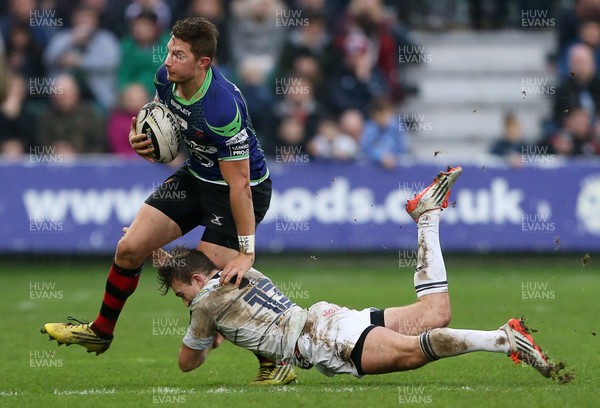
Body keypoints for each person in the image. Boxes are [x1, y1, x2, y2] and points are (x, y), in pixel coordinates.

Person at [42, 17, 294, 385]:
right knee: (130, 248)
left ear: (203, 62)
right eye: (169, 51)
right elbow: (158, 120)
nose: (168, 60)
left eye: (178, 54)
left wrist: (246, 251)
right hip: (195, 178)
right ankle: (100, 331)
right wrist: (139, 139)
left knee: (211, 286)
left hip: (239, 192)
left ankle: (274, 360)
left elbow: (238, 185)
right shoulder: (166, 78)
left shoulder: (222, 108)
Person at [154, 166, 561, 381]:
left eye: (180, 295)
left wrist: (205, 337)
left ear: (195, 281)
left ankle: (503, 339)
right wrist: (164, 259)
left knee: (412, 352)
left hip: (323, 340)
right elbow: (203, 268)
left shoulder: (206, 303)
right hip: (327, 317)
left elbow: (187, 363)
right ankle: (427, 216)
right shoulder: (242, 271)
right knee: (436, 312)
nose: (185, 302)